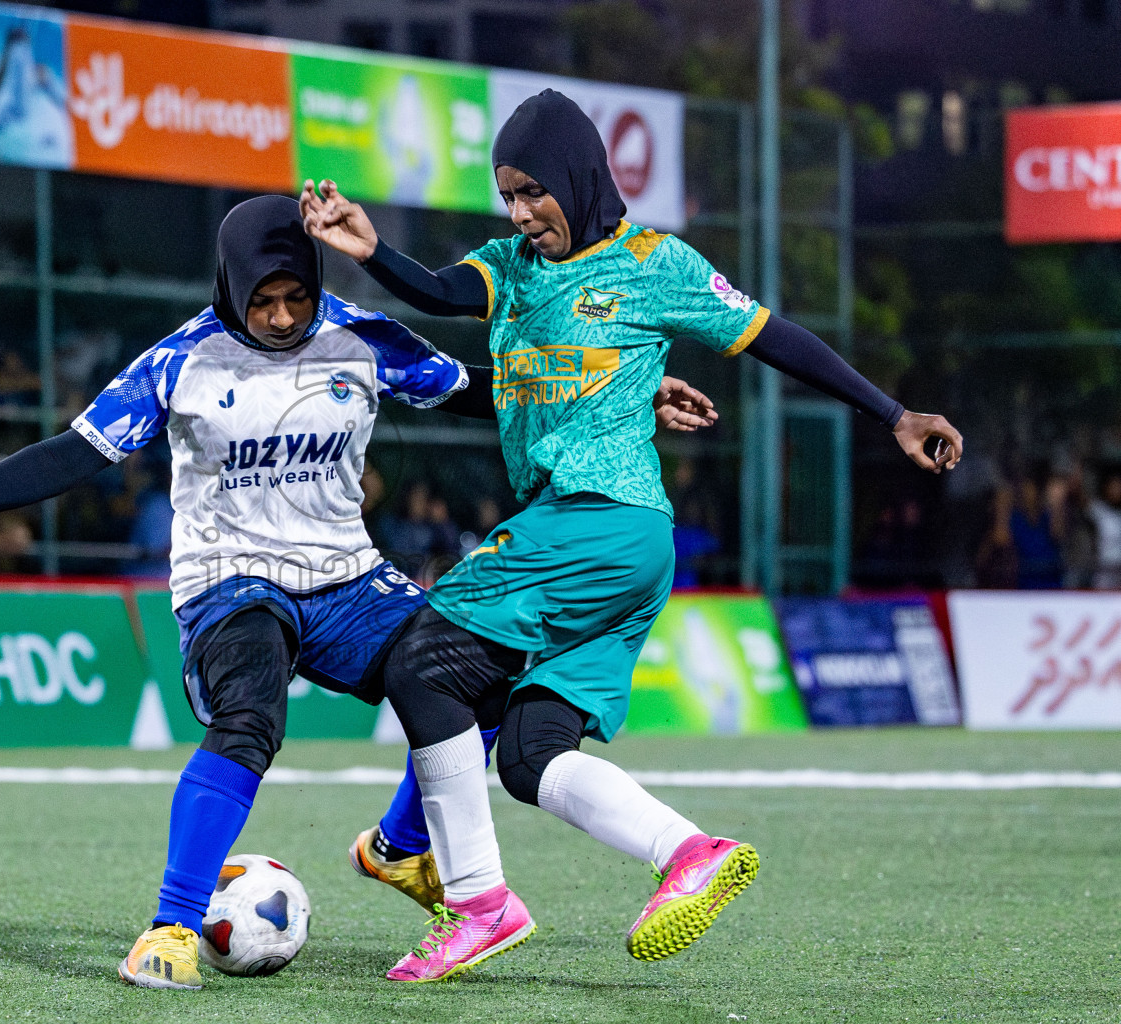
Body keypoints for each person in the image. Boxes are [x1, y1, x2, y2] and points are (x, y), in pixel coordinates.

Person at [0, 195, 717, 990]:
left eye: (294, 299)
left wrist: (631, 399)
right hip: (231, 584)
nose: (279, 318)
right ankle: (170, 927)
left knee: (473, 685)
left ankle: (402, 848)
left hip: (347, 579)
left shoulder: (360, 338)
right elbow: (73, 454)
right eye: (261, 302)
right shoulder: (181, 361)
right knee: (252, 716)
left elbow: (494, 393)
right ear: (230, 291)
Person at [302, 87, 963, 979]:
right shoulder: (510, 263)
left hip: (599, 521)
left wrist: (890, 413)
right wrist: (376, 251)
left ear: (579, 178)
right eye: (506, 193)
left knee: (423, 661)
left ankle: (477, 902)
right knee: (529, 752)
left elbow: (778, 338)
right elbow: (445, 290)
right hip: (610, 548)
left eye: (534, 189)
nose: (520, 211)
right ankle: (687, 852)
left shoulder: (658, 263)